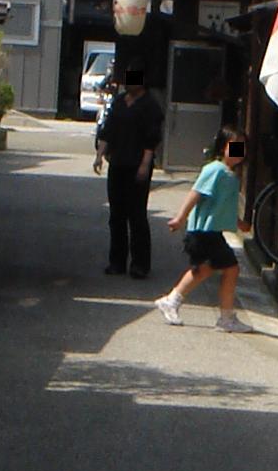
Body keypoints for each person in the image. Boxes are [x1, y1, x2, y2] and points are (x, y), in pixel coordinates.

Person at [155, 127, 249, 331]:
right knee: (223, 269)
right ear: (223, 147)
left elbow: (224, 206)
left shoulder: (230, 175)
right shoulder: (215, 170)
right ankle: (223, 317)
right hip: (203, 232)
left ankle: (175, 301)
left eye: (242, 146)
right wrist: (180, 218)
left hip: (212, 232)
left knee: (208, 269)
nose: (239, 150)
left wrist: (238, 222)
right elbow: (195, 193)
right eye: (234, 145)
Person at [93, 61, 164, 278]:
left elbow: (152, 139)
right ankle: (117, 262)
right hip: (118, 163)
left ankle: (140, 264)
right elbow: (108, 131)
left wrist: (145, 164)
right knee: (116, 214)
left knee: (137, 215)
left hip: (137, 164)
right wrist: (99, 155)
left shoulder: (150, 105)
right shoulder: (119, 102)